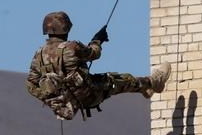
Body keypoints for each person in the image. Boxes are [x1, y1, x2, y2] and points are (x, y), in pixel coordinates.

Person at [26, 12, 171, 120]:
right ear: (66, 28)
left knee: (111, 81)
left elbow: (31, 85)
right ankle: (153, 82)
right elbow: (94, 54)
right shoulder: (71, 47)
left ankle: (145, 89)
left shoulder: (38, 55)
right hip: (90, 94)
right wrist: (98, 39)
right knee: (118, 79)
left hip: (71, 102)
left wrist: (52, 99)